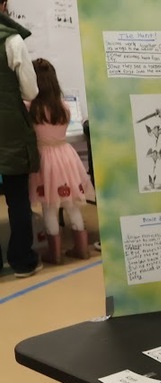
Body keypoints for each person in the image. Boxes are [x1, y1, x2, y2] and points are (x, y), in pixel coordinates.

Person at [26, 58, 93, 263]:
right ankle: (82, 248)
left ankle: (54, 254)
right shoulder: (64, 107)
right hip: (66, 156)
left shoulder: (29, 107)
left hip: (44, 159)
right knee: (72, 204)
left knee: (49, 206)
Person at [0, 0, 42, 277]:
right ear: (4, 4)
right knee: (17, 199)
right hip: (9, 129)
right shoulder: (12, 40)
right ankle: (21, 260)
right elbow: (31, 91)